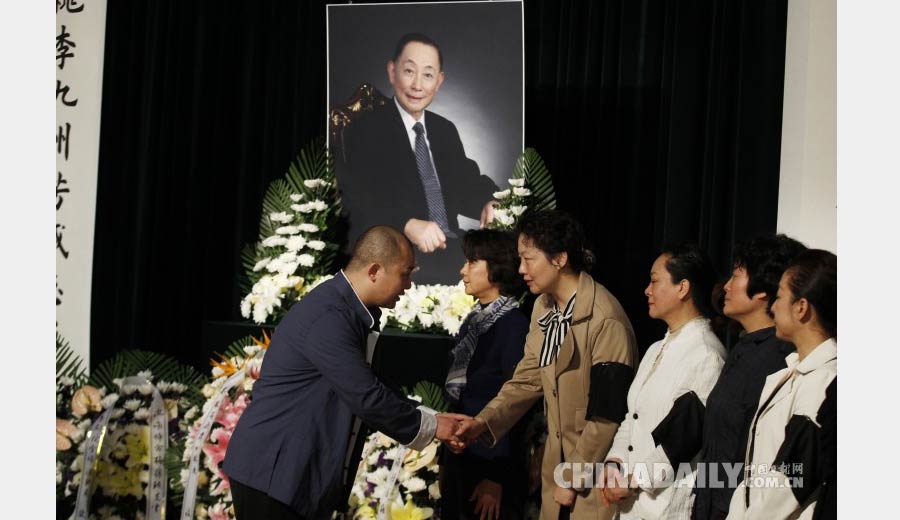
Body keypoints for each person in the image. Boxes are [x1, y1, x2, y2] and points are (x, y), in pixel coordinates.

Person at [222, 226, 464, 520]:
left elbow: (376, 386)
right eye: (405, 273)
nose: (409, 285)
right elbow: (366, 396)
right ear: (375, 270)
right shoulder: (330, 316)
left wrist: (435, 418)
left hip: (286, 469)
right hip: (271, 470)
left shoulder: (347, 311)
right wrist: (432, 427)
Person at [455, 210, 639, 520]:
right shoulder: (544, 306)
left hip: (592, 477)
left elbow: (606, 416)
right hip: (557, 472)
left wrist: (573, 476)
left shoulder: (605, 318)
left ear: (560, 259)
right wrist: (482, 423)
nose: (521, 269)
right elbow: (527, 379)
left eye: (529, 259)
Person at [340, 32, 500, 284]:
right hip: (400, 254)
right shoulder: (366, 130)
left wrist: (488, 201)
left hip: (452, 248)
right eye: (409, 71)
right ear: (392, 72)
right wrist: (406, 224)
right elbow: (359, 200)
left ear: (439, 81)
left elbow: (467, 181)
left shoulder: (444, 129)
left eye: (427, 75)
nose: (417, 85)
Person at [599, 244, 726, 519]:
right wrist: (614, 463)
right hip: (630, 504)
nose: (647, 289)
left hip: (664, 507)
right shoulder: (657, 348)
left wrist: (633, 481)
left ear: (683, 288)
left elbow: (681, 441)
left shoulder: (706, 354)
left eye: (655, 281)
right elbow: (632, 417)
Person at [692, 235, 807, 520]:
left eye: (736, 275)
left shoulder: (778, 359)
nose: (727, 286)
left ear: (763, 291)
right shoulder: (744, 348)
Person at [726, 249, 836, 519]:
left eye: (779, 296)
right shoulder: (792, 372)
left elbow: (790, 483)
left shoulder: (823, 381)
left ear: (801, 307)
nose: (772, 306)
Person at [440, 229, 530, 520]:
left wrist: (497, 477)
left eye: (471, 262)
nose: (462, 270)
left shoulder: (514, 325)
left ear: (497, 266)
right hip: (463, 456)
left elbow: (516, 404)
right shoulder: (476, 319)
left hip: (490, 465)